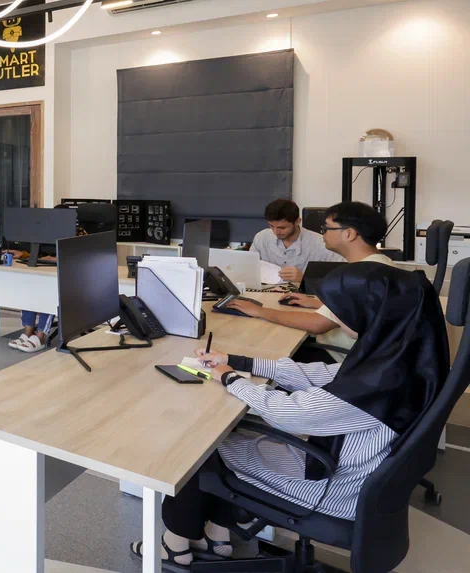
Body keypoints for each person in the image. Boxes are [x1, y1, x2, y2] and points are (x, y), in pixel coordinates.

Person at [132, 247, 447, 570]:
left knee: (198, 446)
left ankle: (175, 545)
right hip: (349, 467)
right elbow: (321, 374)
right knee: (225, 435)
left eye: (342, 311)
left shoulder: (378, 384)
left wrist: (229, 378)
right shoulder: (400, 357)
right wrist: (239, 362)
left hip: (330, 486)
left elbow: (286, 413)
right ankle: (217, 535)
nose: (335, 317)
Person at [226, 202, 397, 354]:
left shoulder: (357, 276)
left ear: (349, 234)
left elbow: (317, 324)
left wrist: (260, 311)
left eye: (327, 228)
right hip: (358, 353)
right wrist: (317, 303)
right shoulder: (380, 265)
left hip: (338, 356)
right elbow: (356, 309)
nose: (323, 234)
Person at [250, 198, 343, 285]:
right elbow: (249, 270)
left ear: (297, 221)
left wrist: (304, 279)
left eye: (282, 228)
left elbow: (341, 278)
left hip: (304, 295)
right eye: (271, 226)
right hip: (265, 294)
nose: (276, 232)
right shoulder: (261, 238)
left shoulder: (321, 244)